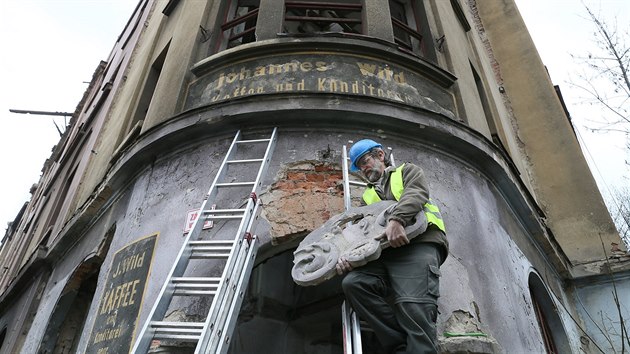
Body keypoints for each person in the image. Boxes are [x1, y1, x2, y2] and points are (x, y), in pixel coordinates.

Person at [336, 139, 448, 354]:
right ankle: (401, 347)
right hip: (386, 255)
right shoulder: (368, 196)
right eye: (359, 166)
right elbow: (362, 233)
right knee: (354, 283)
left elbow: (416, 193)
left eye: (365, 161)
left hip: (419, 243)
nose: (363, 168)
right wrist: (347, 256)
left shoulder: (407, 171)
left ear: (380, 155)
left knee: (413, 307)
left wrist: (397, 220)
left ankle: (420, 348)